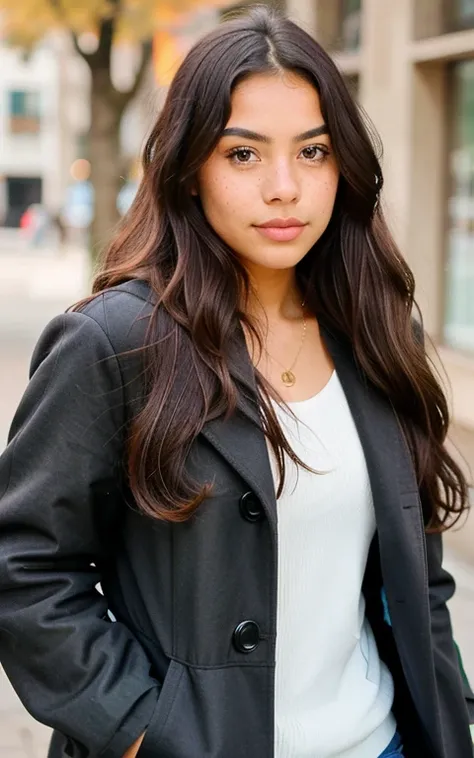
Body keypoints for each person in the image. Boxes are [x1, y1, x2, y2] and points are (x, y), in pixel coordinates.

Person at [0, 7, 473, 758]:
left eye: (313, 151)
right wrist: (144, 734)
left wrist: (451, 721)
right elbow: (23, 571)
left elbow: (417, 573)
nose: (284, 188)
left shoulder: (378, 331)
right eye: (244, 154)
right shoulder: (115, 343)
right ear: (190, 168)